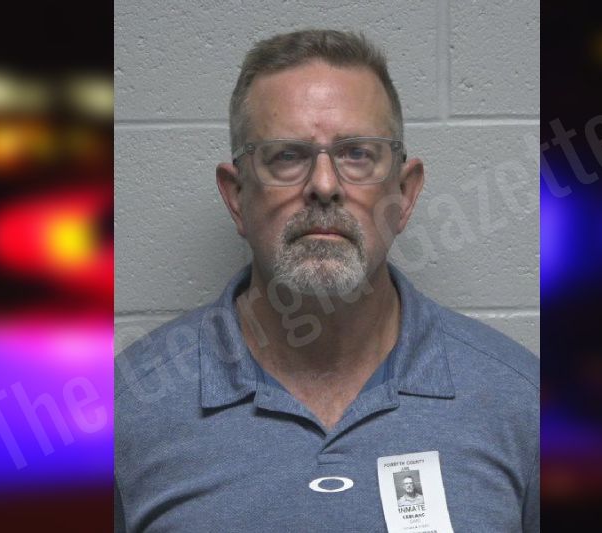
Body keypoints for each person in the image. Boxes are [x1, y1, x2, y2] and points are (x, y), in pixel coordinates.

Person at [115, 29, 538, 532]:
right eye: (286, 156)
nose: (323, 185)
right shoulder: (124, 410)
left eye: (358, 153)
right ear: (236, 196)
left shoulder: (522, 402)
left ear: (404, 195)